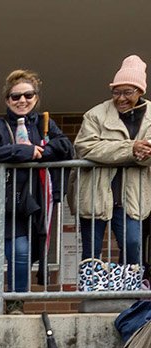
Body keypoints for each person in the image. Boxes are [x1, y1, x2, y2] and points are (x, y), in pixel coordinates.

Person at [0, 70, 74, 302]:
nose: (22, 100)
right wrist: (23, 151)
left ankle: (15, 303)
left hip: (20, 204)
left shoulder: (45, 124)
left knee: (20, 252)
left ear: (36, 98)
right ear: (7, 100)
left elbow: (65, 147)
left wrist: (40, 153)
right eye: (15, 96)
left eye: (28, 95)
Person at [74, 58, 151, 269]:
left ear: (140, 91)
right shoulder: (95, 115)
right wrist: (131, 149)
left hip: (132, 195)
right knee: (92, 251)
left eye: (128, 92)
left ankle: (127, 294)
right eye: (116, 92)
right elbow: (86, 147)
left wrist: (145, 153)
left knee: (133, 244)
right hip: (95, 192)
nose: (121, 98)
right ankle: (92, 294)